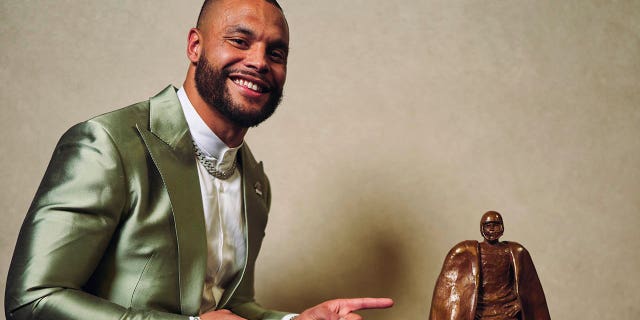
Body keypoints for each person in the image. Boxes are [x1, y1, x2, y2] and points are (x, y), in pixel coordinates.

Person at [4, 1, 393, 319]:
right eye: (240, 41)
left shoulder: (255, 182)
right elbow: (32, 299)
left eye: (276, 53)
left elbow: (227, 306)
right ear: (195, 46)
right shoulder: (106, 144)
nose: (259, 61)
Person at [428, 211, 550, 320]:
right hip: (480, 311)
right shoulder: (470, 251)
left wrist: (521, 304)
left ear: (502, 227)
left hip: (507, 311)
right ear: (482, 228)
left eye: (496, 225)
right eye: (488, 226)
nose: (492, 229)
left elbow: (530, 287)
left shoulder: (515, 251)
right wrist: (469, 308)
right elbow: (452, 288)